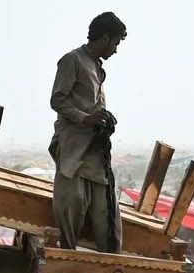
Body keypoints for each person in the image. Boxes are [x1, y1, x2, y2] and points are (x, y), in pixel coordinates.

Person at [49, 12, 126, 252]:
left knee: (107, 213)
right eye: (115, 43)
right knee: (72, 203)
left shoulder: (97, 67)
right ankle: (67, 262)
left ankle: (108, 266)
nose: (115, 50)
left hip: (94, 150)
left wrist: (102, 119)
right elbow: (57, 100)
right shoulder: (72, 60)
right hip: (73, 149)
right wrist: (86, 119)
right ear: (104, 39)